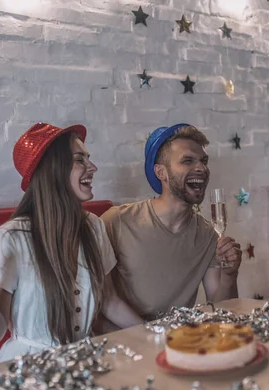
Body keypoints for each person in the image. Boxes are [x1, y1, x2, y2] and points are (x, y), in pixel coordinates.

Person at [0, 123, 144, 363]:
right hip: (29, 367)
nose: (93, 167)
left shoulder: (93, 226)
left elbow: (109, 299)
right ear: (53, 169)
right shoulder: (10, 237)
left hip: (82, 360)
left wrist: (154, 333)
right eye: (80, 159)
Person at [99, 123, 243, 328]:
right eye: (187, 160)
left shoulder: (207, 234)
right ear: (161, 172)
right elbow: (102, 299)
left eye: (203, 161)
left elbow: (221, 312)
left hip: (175, 343)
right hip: (121, 346)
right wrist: (153, 337)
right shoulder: (116, 222)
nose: (201, 168)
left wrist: (230, 275)